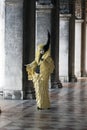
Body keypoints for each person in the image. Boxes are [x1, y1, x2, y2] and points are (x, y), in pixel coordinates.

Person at [26, 31, 54, 110]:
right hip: (37, 75)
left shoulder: (48, 58)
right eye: (40, 50)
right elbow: (35, 62)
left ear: (45, 51)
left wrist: (45, 61)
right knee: (38, 90)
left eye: (42, 50)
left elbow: (51, 65)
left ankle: (44, 105)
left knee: (43, 90)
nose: (41, 51)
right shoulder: (38, 58)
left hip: (43, 76)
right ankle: (40, 104)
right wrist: (29, 65)